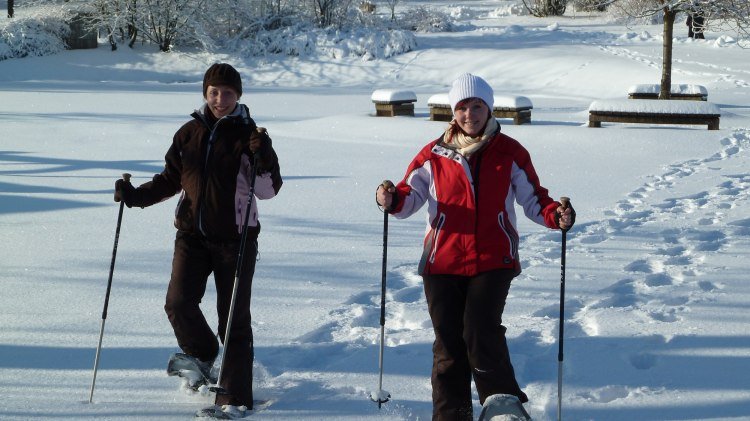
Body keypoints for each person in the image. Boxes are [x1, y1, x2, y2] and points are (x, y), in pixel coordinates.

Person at [376, 73, 574, 420]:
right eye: (463, 107)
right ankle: (452, 413)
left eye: (477, 106)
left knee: (480, 330)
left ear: (489, 107)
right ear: (454, 112)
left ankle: (502, 407)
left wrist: (554, 215)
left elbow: (533, 199)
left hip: (493, 259)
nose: (470, 114)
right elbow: (408, 200)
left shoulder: (510, 151)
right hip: (442, 261)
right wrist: (389, 199)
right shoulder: (433, 155)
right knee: (449, 343)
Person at [113, 63, 282, 414]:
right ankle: (203, 354)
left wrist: (264, 154)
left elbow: (267, 191)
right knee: (178, 303)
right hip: (191, 235)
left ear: (239, 95)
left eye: (228, 93)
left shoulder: (250, 137)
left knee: (232, 318)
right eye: (214, 92)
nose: (220, 99)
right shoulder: (189, 133)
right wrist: (135, 196)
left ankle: (234, 398)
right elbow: (170, 179)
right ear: (205, 93)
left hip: (235, 240)